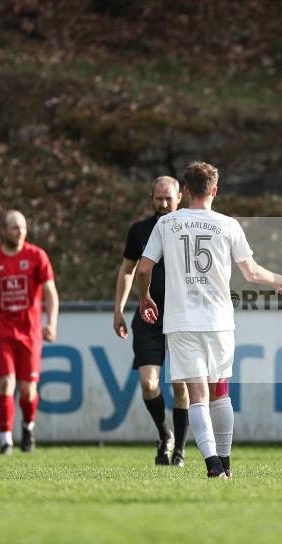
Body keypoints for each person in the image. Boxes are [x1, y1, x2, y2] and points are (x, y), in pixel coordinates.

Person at [137, 161, 282, 478]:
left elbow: (144, 268)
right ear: (215, 191)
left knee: (196, 394)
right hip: (219, 321)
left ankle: (212, 463)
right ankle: (224, 461)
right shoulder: (227, 225)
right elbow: (252, 272)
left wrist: (145, 296)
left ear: (185, 190)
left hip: (182, 321)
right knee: (220, 391)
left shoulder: (167, 224)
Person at [113, 176, 191, 467]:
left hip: (182, 316)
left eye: (168, 198)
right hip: (149, 317)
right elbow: (126, 271)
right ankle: (164, 434)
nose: (163, 204)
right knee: (148, 383)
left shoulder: (190, 229)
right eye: (158, 199)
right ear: (152, 198)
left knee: (181, 387)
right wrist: (118, 309)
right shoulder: (140, 230)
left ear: (180, 198)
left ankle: (180, 451)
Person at [0, 210, 59, 454]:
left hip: (30, 333)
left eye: (22, 227)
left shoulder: (36, 256)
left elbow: (51, 293)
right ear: (2, 231)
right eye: (14, 227)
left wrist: (51, 323)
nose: (20, 231)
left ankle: (28, 427)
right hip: (1, 333)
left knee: (27, 389)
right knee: (5, 383)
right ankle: (5, 439)